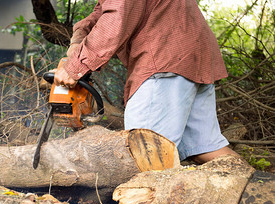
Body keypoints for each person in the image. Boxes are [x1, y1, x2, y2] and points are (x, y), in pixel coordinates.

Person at [54, 0, 238, 163]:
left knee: (142, 154)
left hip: (165, 58)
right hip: (190, 56)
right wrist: (78, 41)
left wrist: (75, 67)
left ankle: (144, 202)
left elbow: (116, 18)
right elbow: (102, 11)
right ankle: (259, 188)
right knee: (205, 149)